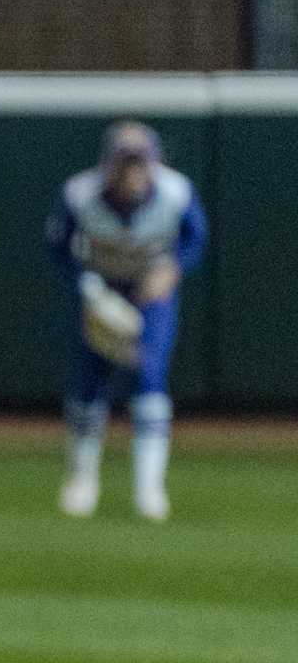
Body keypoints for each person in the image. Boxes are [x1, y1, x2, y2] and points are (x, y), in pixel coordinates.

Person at [46, 120, 207, 522]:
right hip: (101, 291)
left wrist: (172, 268)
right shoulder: (80, 194)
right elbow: (56, 246)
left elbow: (195, 239)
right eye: (124, 163)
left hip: (150, 294)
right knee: (89, 380)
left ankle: (149, 487)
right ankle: (82, 480)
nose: (132, 172)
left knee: (150, 375)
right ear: (109, 163)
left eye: (139, 163)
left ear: (152, 164)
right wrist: (87, 286)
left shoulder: (175, 192)